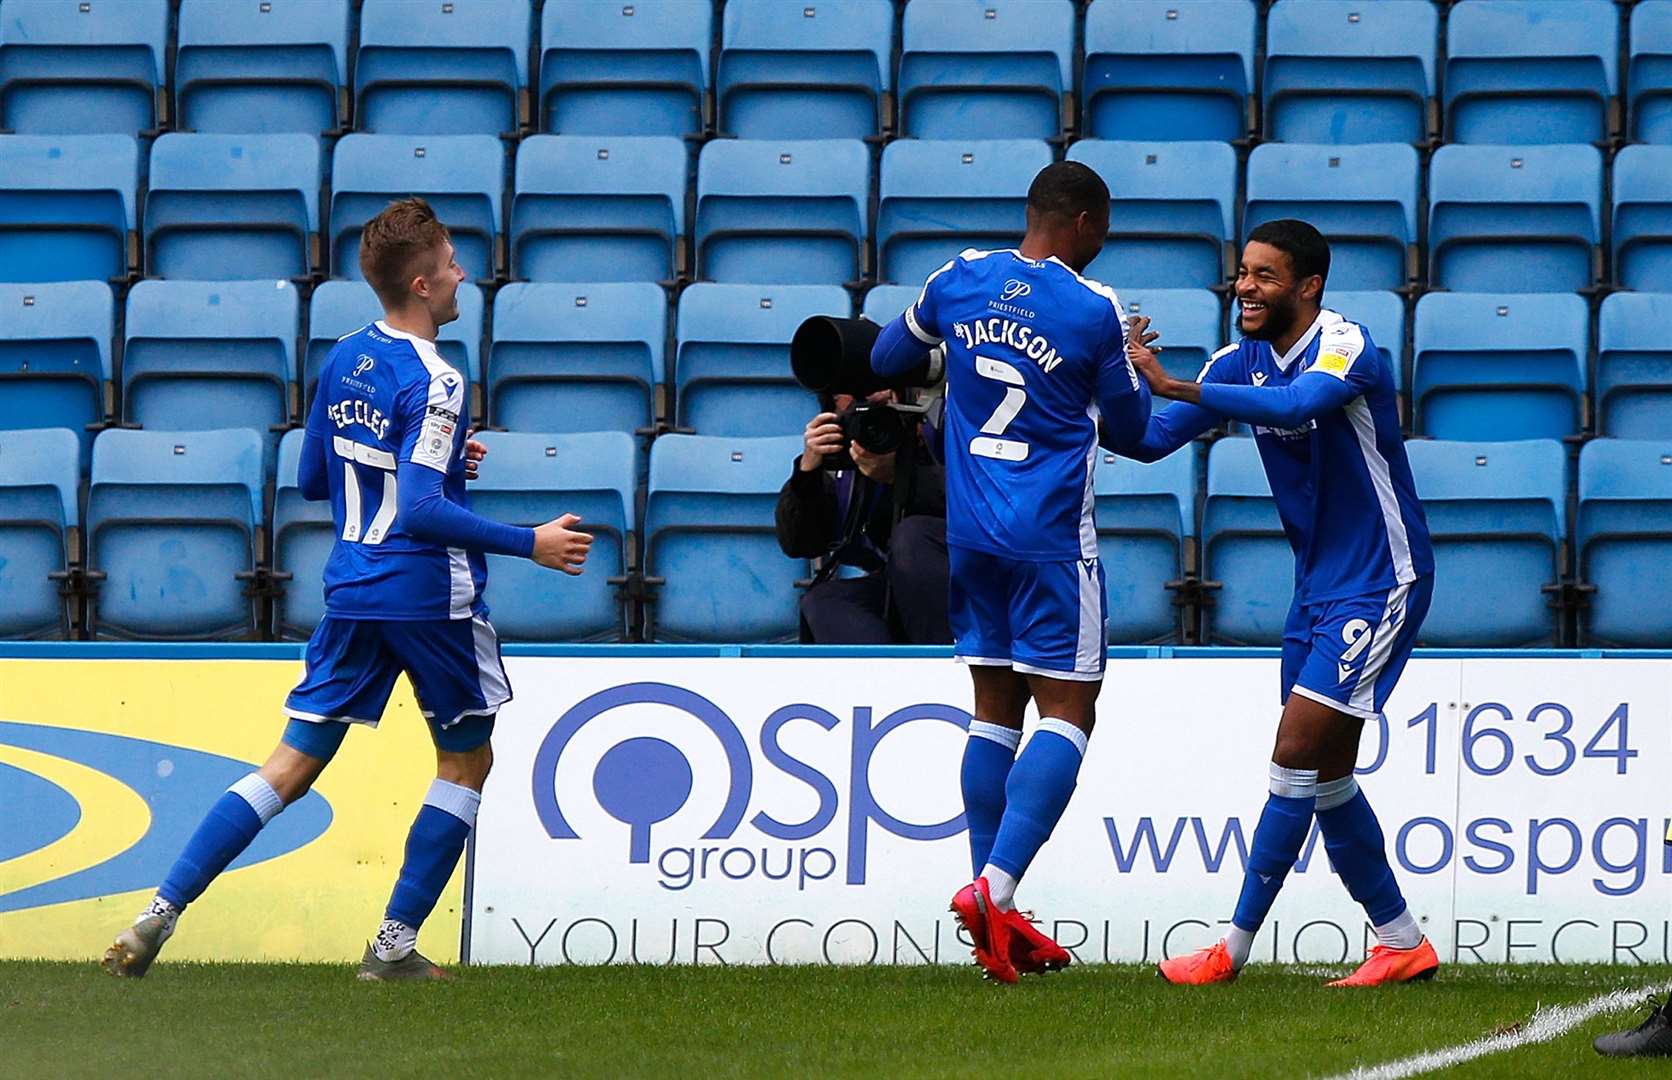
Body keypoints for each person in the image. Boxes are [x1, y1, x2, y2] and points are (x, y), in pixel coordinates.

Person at [101, 198, 593, 982]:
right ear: (426, 285)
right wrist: (529, 542)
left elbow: (311, 479)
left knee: (287, 768)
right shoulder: (437, 378)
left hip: (352, 592)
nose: (465, 272)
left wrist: (417, 460)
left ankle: (157, 913)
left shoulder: (344, 356)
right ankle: (392, 949)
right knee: (466, 765)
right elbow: (426, 513)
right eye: (454, 263)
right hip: (430, 600)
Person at [1111, 219, 1439, 988]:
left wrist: (1174, 382)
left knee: (1294, 754)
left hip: (1382, 577)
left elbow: (1297, 407)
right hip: (1318, 583)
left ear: (1308, 285)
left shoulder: (1346, 343)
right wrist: (1115, 375)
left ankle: (1231, 948)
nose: (1244, 286)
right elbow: (1151, 441)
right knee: (1326, 776)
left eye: (1262, 275)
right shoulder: (1237, 360)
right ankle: (1401, 942)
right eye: (1241, 273)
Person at [870, 160, 1152, 984]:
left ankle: (994, 908)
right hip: (1051, 544)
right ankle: (993, 891)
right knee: (1069, 711)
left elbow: (890, 354)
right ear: (1085, 225)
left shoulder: (958, 277)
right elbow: (1132, 431)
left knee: (993, 711)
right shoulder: (1093, 308)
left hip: (972, 536)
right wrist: (1160, 381)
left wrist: (955, 349)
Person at [776, 388, 950, 644]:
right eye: (851, 403)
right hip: (896, 589)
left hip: (967, 578)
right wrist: (807, 474)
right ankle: (885, 681)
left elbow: (984, 500)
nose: (868, 417)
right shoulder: (838, 462)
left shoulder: (938, 430)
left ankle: (949, 666)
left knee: (912, 536)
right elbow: (798, 544)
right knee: (824, 601)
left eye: (879, 405)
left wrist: (901, 477)